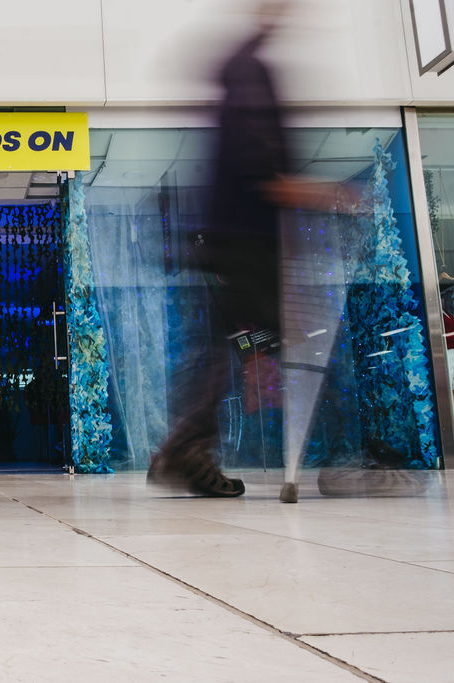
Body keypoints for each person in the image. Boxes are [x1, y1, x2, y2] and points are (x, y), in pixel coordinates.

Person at [147, 0, 352, 499]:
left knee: (232, 344)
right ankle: (356, 453)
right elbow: (257, 159)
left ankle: (186, 448)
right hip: (245, 241)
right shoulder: (251, 70)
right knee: (298, 334)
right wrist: (317, 192)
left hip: (232, 239)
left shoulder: (242, 65)